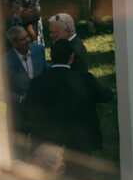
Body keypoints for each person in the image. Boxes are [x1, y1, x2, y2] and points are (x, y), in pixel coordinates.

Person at [23, 39, 113, 169]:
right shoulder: (85, 79)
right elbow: (107, 95)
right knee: (80, 177)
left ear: (51, 56)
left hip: (47, 144)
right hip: (79, 143)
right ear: (71, 56)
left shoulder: (38, 82)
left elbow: (27, 111)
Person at [1, 24, 46, 132]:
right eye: (22, 39)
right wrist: (20, 99)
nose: (28, 40)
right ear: (14, 43)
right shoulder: (4, 62)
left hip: (40, 112)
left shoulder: (39, 50)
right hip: (18, 116)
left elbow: (45, 69)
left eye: (27, 36)